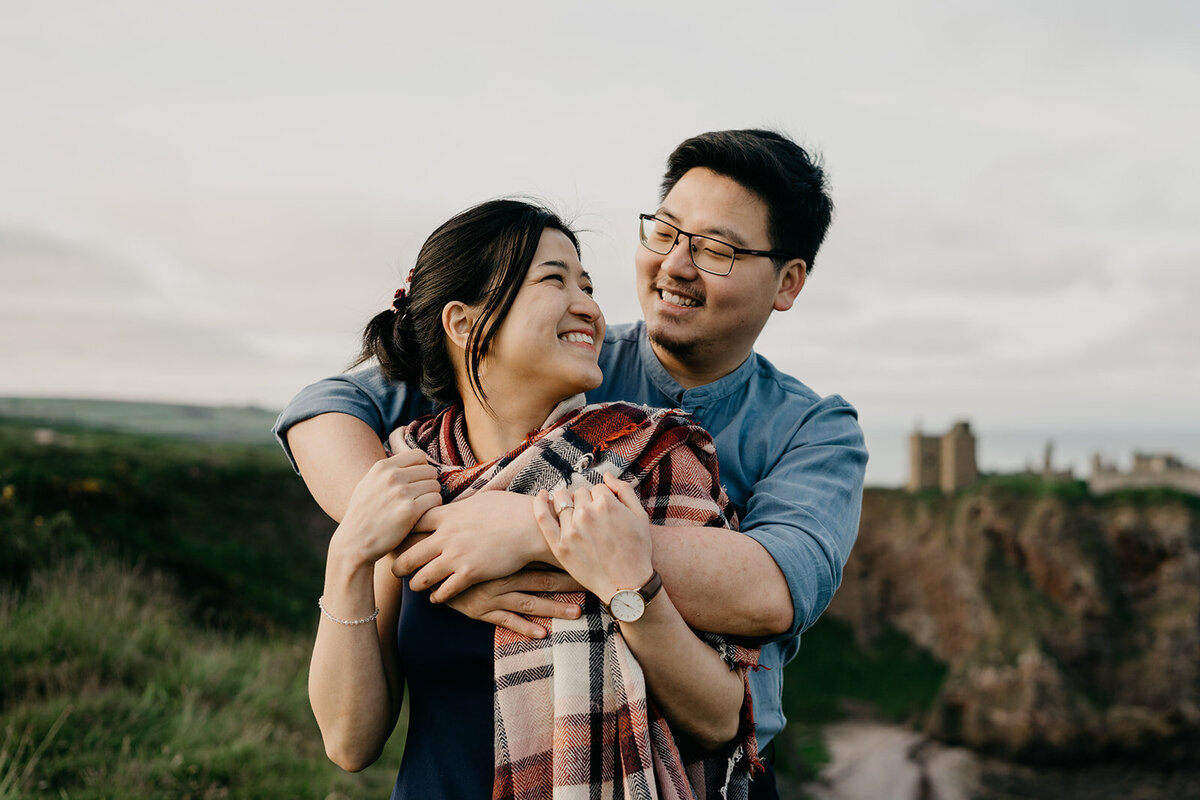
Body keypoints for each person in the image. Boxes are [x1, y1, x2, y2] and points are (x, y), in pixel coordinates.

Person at [277, 129, 868, 797]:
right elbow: (328, 405)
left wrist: (528, 531)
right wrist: (421, 540)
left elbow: (772, 591)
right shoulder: (525, 369)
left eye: (717, 250)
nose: (675, 264)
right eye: (666, 232)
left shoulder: (804, 431)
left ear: (787, 282)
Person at [309, 198, 760, 799]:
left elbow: (719, 720)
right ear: (465, 324)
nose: (590, 307)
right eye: (555, 279)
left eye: (589, 285)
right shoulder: (411, 476)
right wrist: (348, 558)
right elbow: (350, 743)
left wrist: (630, 586)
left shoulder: (652, 457)